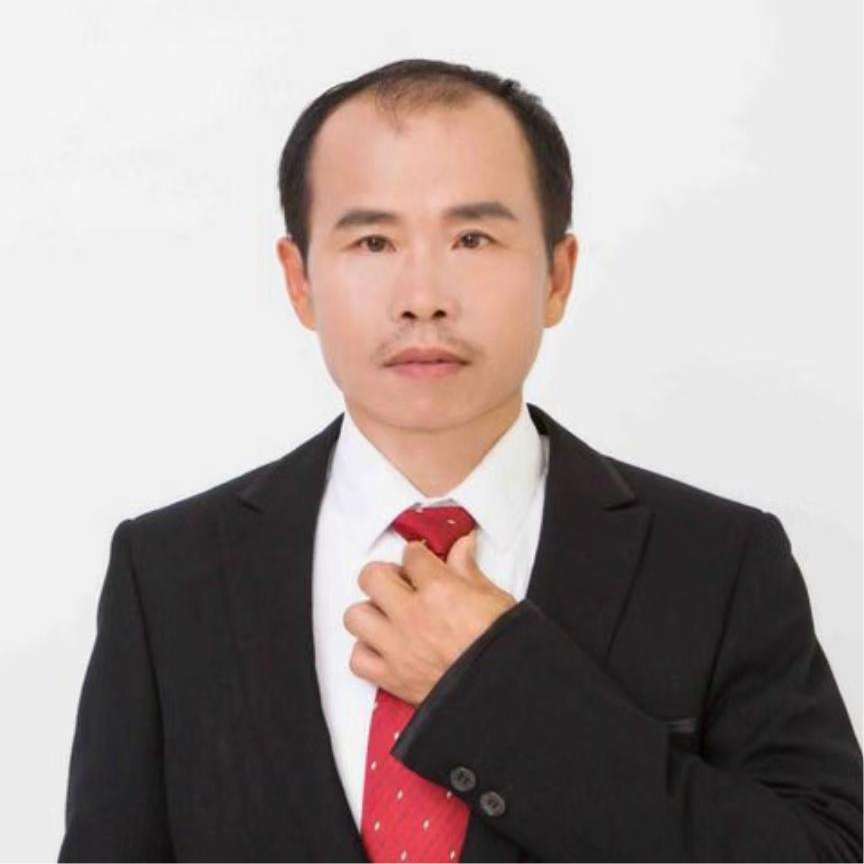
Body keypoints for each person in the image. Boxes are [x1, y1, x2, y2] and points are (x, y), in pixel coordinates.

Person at [58, 58, 862, 863]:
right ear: (300, 281)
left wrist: (497, 690)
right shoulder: (170, 574)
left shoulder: (718, 562)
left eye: (473, 238)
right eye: (373, 241)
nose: (423, 298)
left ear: (558, 275)